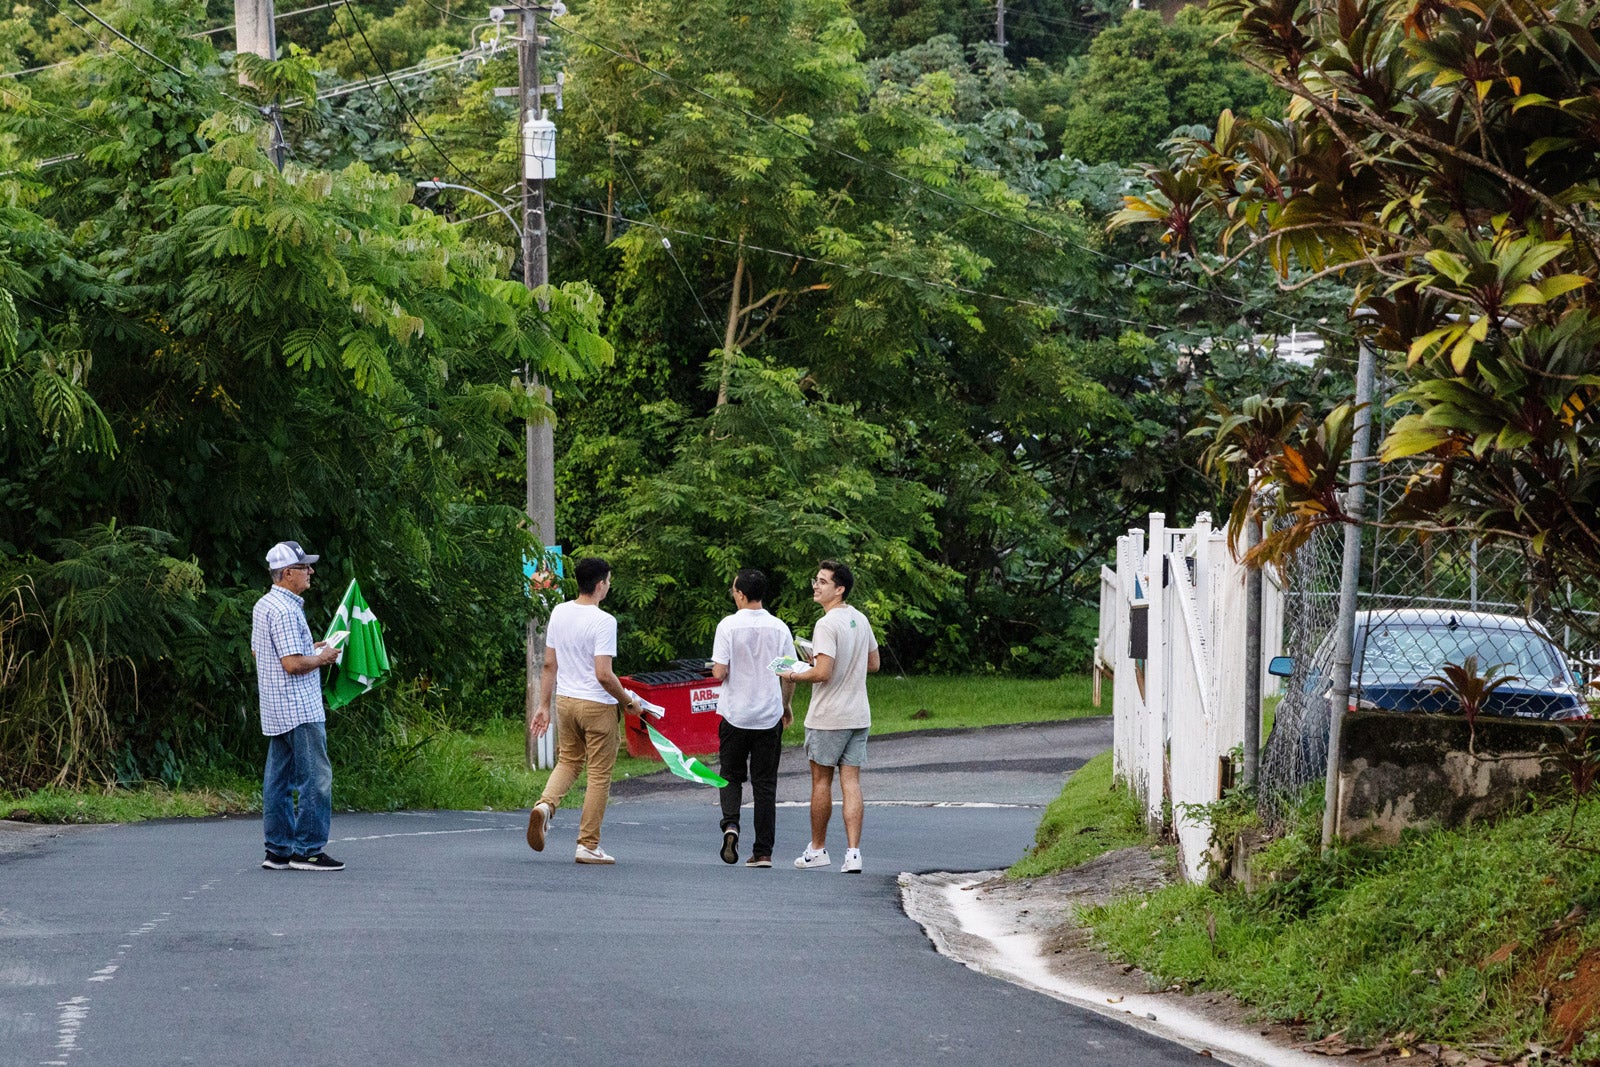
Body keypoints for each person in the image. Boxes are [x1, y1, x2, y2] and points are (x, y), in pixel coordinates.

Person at [526, 557, 644, 864]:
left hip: (565, 701)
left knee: (568, 761)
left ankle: (545, 806)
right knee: (599, 775)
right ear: (600, 584)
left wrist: (543, 705)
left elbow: (550, 664)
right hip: (597, 705)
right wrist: (628, 702)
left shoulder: (559, 612)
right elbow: (604, 674)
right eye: (608, 580)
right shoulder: (604, 621)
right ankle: (588, 844)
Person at [252, 540, 345, 872]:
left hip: (275, 706)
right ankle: (307, 850)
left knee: (277, 781)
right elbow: (291, 664)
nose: (311, 571)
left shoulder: (264, 605)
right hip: (300, 707)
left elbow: (261, 652)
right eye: (304, 567)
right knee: (316, 778)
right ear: (287, 573)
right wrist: (322, 658)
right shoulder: (287, 609)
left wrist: (314, 646)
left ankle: (277, 850)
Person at [785, 560, 879, 874]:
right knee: (851, 782)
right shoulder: (860, 618)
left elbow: (823, 673)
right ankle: (854, 853)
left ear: (839, 589)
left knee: (821, 782)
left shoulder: (826, 624)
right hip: (858, 713)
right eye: (817, 580)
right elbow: (873, 663)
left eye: (823, 582)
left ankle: (817, 848)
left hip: (828, 716)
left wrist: (796, 674)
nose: (816, 585)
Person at [710, 569, 797, 869]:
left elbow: (720, 672)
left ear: (742, 595)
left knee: (730, 775)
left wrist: (715, 670)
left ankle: (731, 825)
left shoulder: (728, 626)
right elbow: (789, 675)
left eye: (734, 591)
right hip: (768, 715)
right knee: (764, 784)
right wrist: (785, 705)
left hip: (735, 714)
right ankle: (762, 852)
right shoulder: (779, 629)